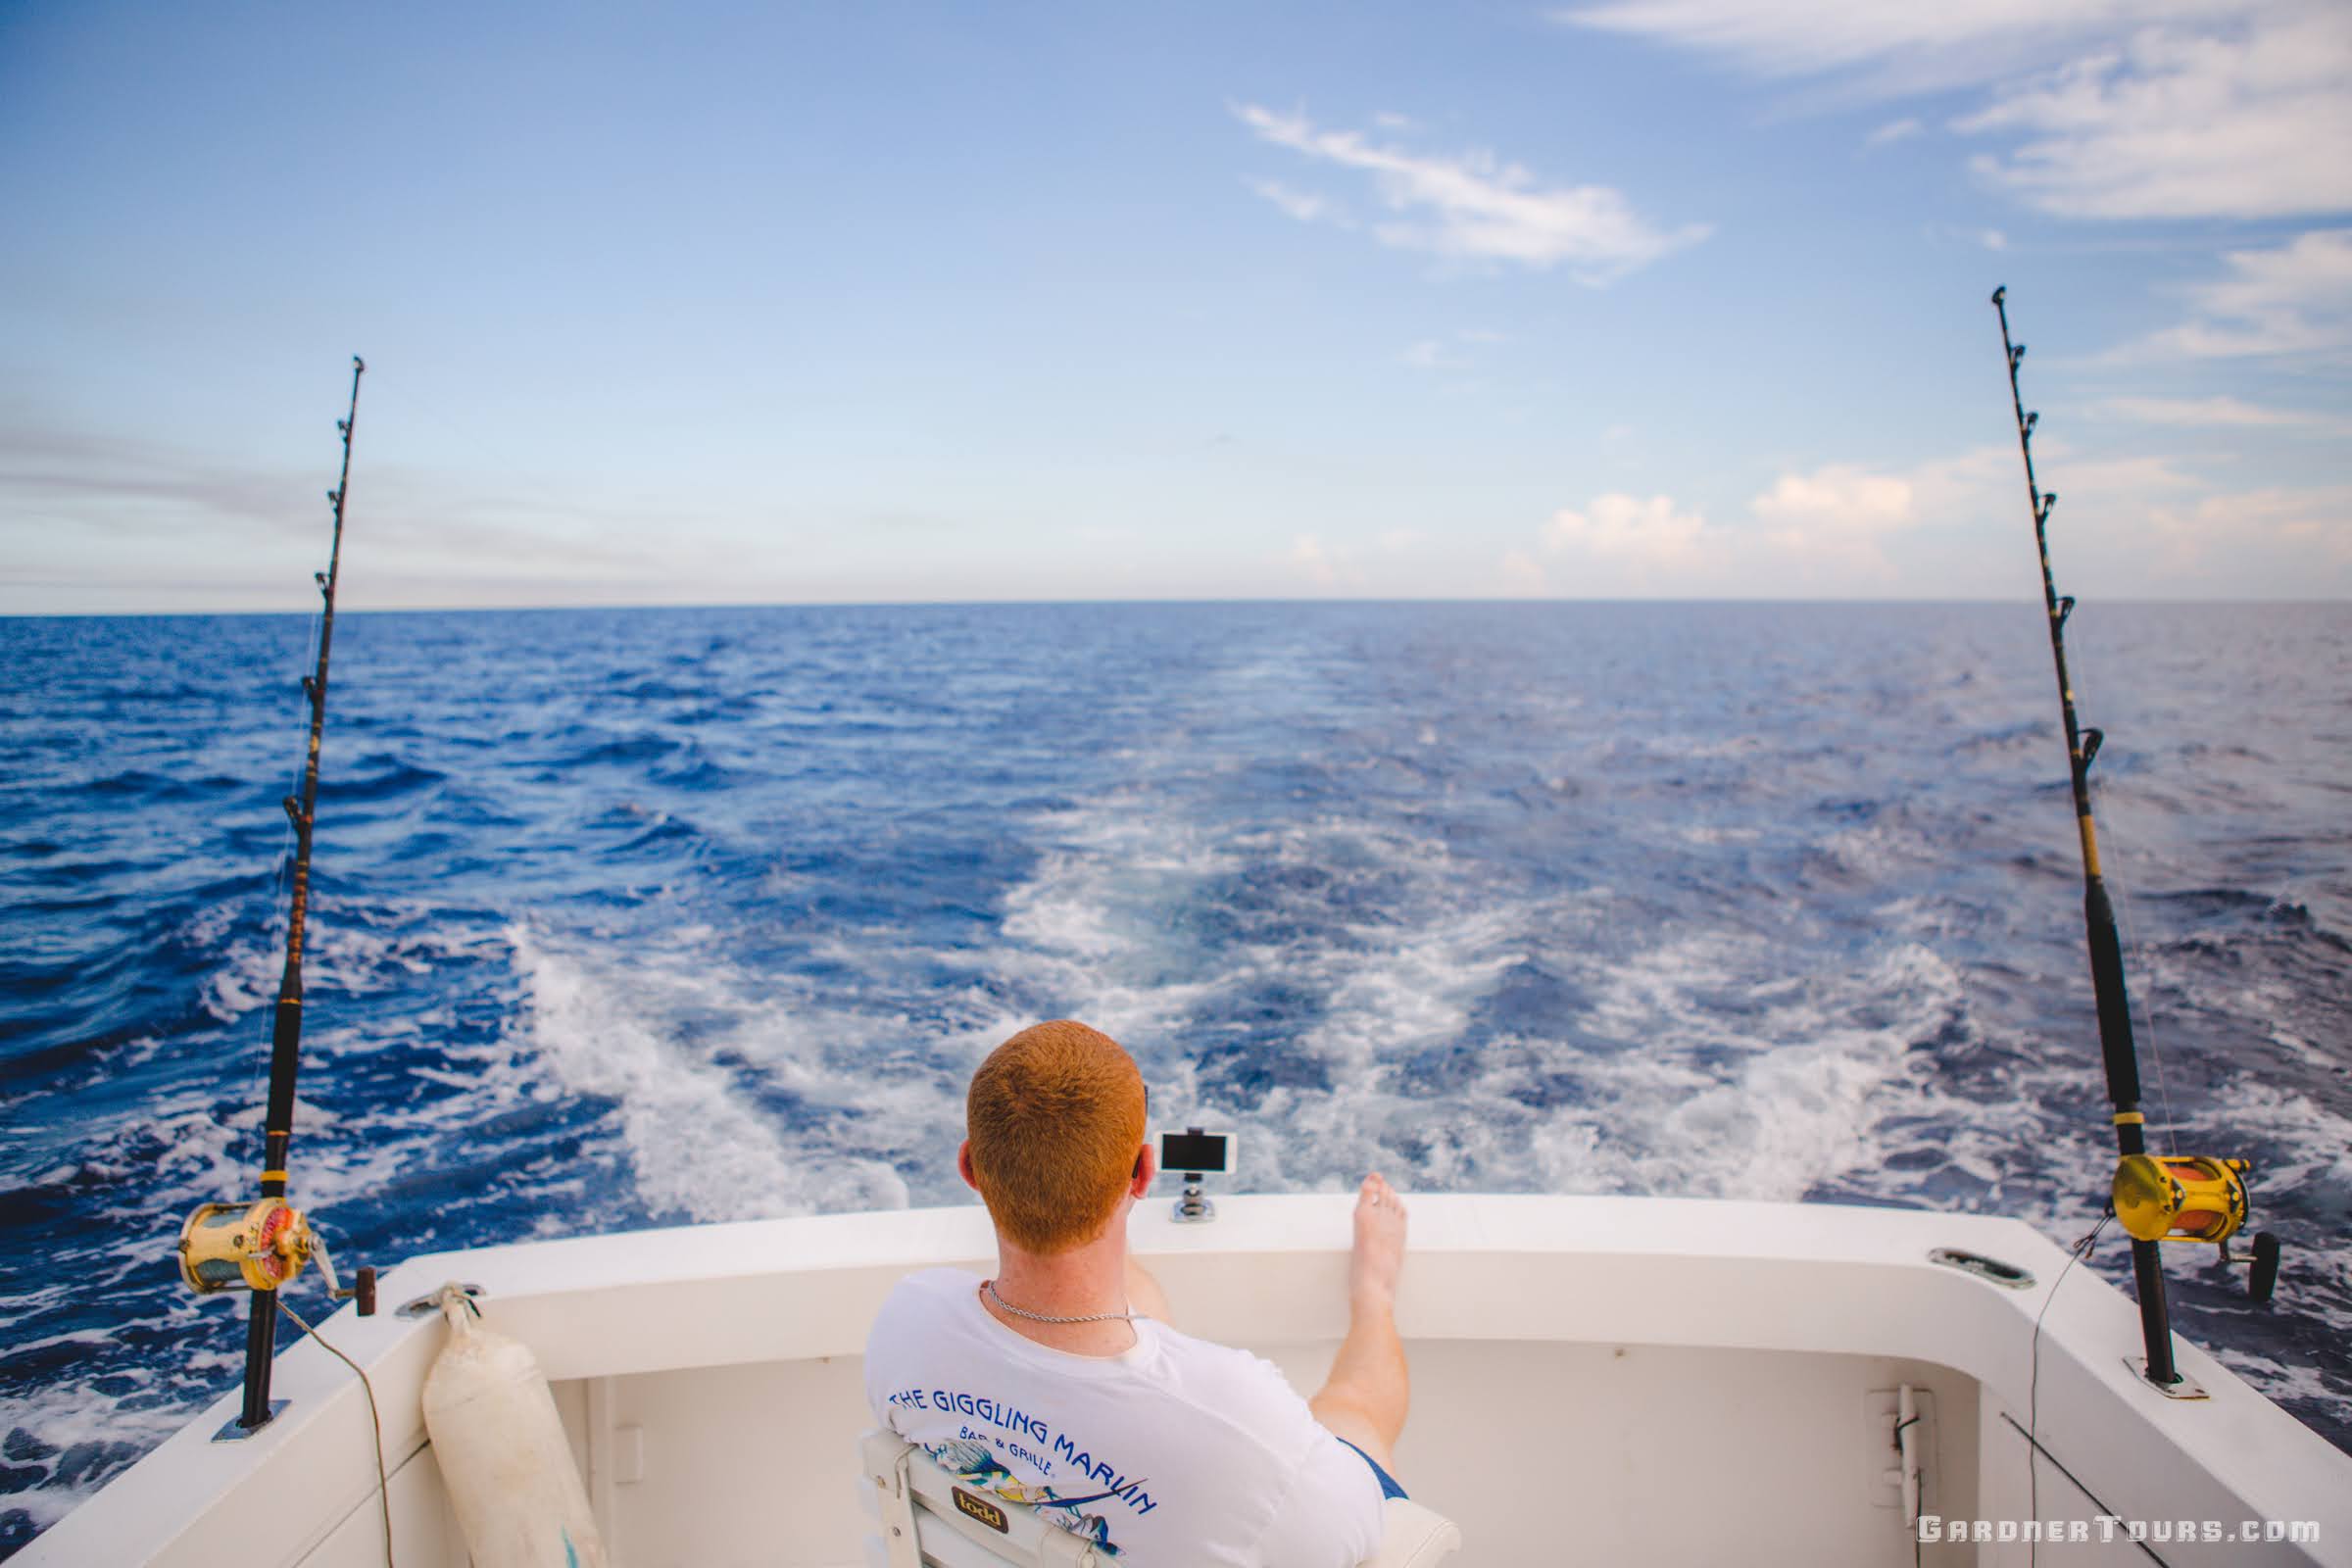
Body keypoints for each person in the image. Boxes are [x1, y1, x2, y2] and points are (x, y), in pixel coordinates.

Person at [864, 1019, 1412, 1565]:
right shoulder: (1240, 1421)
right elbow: (1356, 1534)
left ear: (969, 1168)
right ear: (1145, 1173)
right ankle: (1375, 1296)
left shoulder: (907, 1320)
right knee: (1352, 1410)